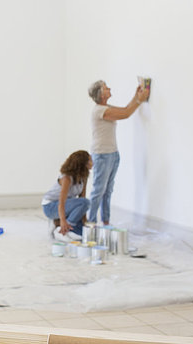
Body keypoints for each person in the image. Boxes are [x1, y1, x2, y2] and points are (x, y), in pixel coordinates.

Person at [87, 80, 149, 225]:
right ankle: (90, 223)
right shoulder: (100, 110)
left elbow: (125, 109)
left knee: (108, 191)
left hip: (112, 154)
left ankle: (106, 222)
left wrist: (136, 96)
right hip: (101, 155)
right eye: (106, 88)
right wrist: (141, 99)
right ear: (101, 94)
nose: (109, 88)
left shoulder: (105, 107)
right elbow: (126, 114)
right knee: (98, 191)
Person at [42, 150, 92, 242]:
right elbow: (61, 202)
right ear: (82, 163)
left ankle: (57, 223)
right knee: (86, 202)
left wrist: (84, 221)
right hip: (50, 206)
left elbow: (81, 198)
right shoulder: (66, 178)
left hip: (67, 206)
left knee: (81, 234)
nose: (92, 162)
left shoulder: (83, 177)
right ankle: (62, 228)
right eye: (90, 160)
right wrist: (63, 221)